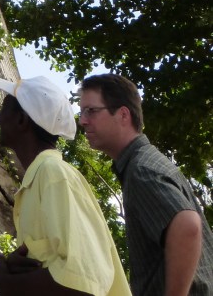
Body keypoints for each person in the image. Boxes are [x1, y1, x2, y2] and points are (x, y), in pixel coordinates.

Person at [0, 75, 131, 296]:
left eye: (5, 105)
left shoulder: (53, 175)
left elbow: (84, 281)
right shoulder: (39, 179)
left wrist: (7, 283)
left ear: (21, 120)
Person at [79, 73, 213, 296]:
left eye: (91, 111)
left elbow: (188, 225)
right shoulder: (147, 161)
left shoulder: (141, 170)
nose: (82, 120)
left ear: (123, 115)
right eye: (82, 112)